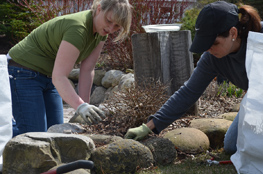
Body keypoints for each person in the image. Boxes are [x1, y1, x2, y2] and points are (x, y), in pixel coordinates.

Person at [125, 1, 263, 155]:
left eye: (214, 43)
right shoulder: (212, 58)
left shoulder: (259, 38)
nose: (209, 49)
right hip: (257, 100)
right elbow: (188, 92)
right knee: (232, 145)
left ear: (233, 33)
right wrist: (149, 126)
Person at [7, 0, 132, 137]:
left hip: (48, 76)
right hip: (22, 71)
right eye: (109, 21)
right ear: (98, 9)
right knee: (35, 135)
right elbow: (60, 76)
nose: (111, 28)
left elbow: (88, 69)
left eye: (116, 26)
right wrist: (80, 106)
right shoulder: (78, 28)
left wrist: (85, 108)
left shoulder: (100, 33)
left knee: (57, 132)